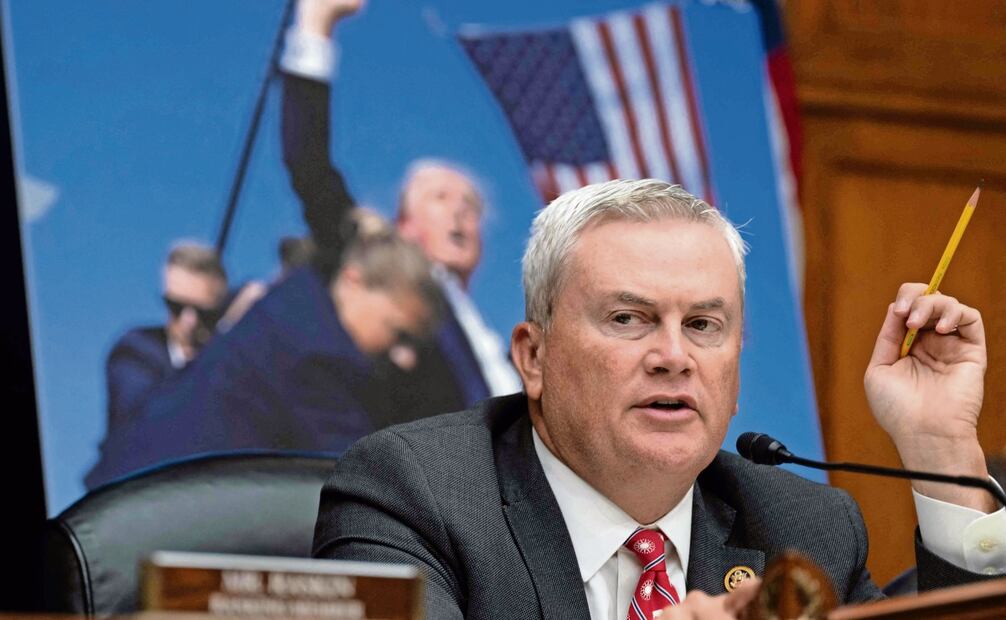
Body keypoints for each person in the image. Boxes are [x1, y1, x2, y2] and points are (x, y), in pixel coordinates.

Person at [314, 179, 1006, 619]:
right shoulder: (414, 494)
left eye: (703, 325)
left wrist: (939, 444)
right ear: (533, 356)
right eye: (628, 319)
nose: (674, 356)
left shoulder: (803, 526)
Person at [280, 0, 521, 421]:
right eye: (440, 198)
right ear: (404, 224)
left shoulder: (491, 339)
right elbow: (310, 166)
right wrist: (315, 26)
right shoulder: (382, 270)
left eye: (470, 207)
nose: (460, 214)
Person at [84, 232, 441, 488]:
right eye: (399, 333)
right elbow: (366, 482)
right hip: (147, 520)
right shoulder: (313, 352)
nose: (405, 358)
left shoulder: (293, 314)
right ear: (352, 282)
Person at [103, 241, 227, 446]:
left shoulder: (233, 359)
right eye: (176, 307)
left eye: (204, 313)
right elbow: (144, 420)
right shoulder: (134, 351)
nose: (190, 322)